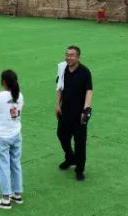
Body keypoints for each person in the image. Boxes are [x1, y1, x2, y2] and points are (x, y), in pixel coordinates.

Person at [0, 69, 24, 209]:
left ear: (3, 82)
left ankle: (5, 199)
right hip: (16, 134)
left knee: (2, 166)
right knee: (15, 163)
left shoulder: (0, 97)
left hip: (2, 136)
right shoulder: (20, 95)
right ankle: (17, 194)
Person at [55, 45, 92, 181]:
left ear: (78, 57)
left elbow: (89, 91)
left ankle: (79, 169)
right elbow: (60, 87)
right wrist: (57, 104)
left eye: (71, 55)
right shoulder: (62, 69)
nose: (68, 57)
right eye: (67, 55)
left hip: (79, 114)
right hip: (65, 111)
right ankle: (70, 158)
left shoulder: (85, 72)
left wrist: (86, 110)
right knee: (61, 135)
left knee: (80, 143)